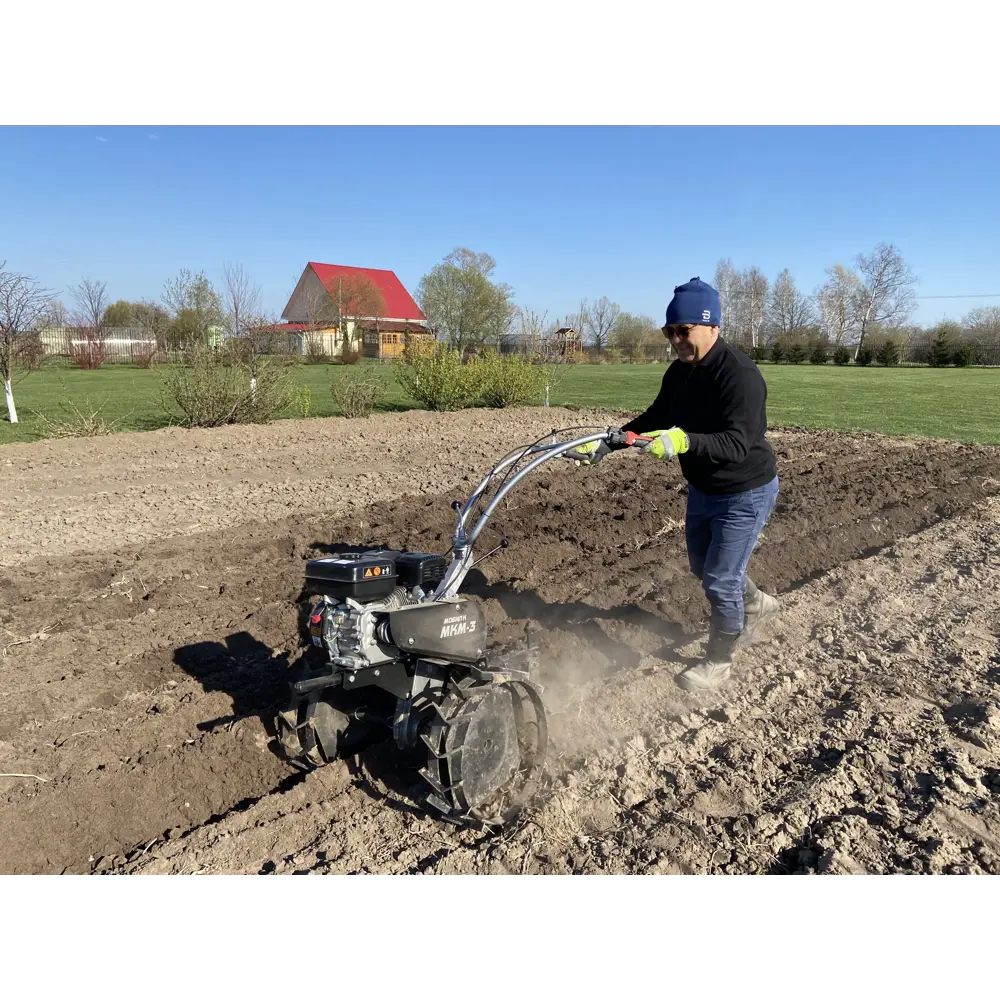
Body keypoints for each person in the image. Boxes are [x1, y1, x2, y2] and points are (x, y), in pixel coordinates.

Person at [573, 277, 780, 692]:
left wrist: (685, 440)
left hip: (745, 490)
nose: (676, 340)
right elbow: (657, 415)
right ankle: (757, 604)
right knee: (705, 569)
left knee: (721, 579)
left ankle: (720, 660)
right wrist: (611, 440)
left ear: (711, 327)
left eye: (683, 331)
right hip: (704, 488)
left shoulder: (740, 375)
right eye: (670, 332)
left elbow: (737, 442)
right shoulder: (679, 373)